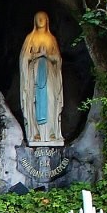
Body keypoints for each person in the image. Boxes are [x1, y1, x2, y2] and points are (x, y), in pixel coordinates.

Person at [19, 10, 64, 146]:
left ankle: (51, 132)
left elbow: (58, 59)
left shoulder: (51, 39)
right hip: (34, 74)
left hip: (50, 75)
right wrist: (38, 55)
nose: (40, 20)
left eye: (43, 17)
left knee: (51, 100)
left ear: (47, 20)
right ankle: (36, 133)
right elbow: (24, 58)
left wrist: (47, 55)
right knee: (35, 101)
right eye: (38, 17)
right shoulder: (30, 38)